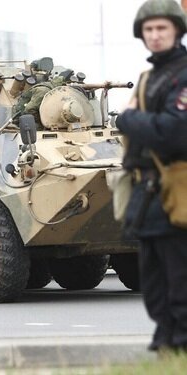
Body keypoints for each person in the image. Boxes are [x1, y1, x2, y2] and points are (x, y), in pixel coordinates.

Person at [116, 0, 187, 353]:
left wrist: (128, 120)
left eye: (162, 28)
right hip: (147, 193)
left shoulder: (184, 74)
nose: (155, 35)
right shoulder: (149, 78)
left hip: (178, 189)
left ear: (177, 29)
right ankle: (165, 339)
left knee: (180, 276)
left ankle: (180, 344)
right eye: (149, 30)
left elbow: (175, 131)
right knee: (154, 278)